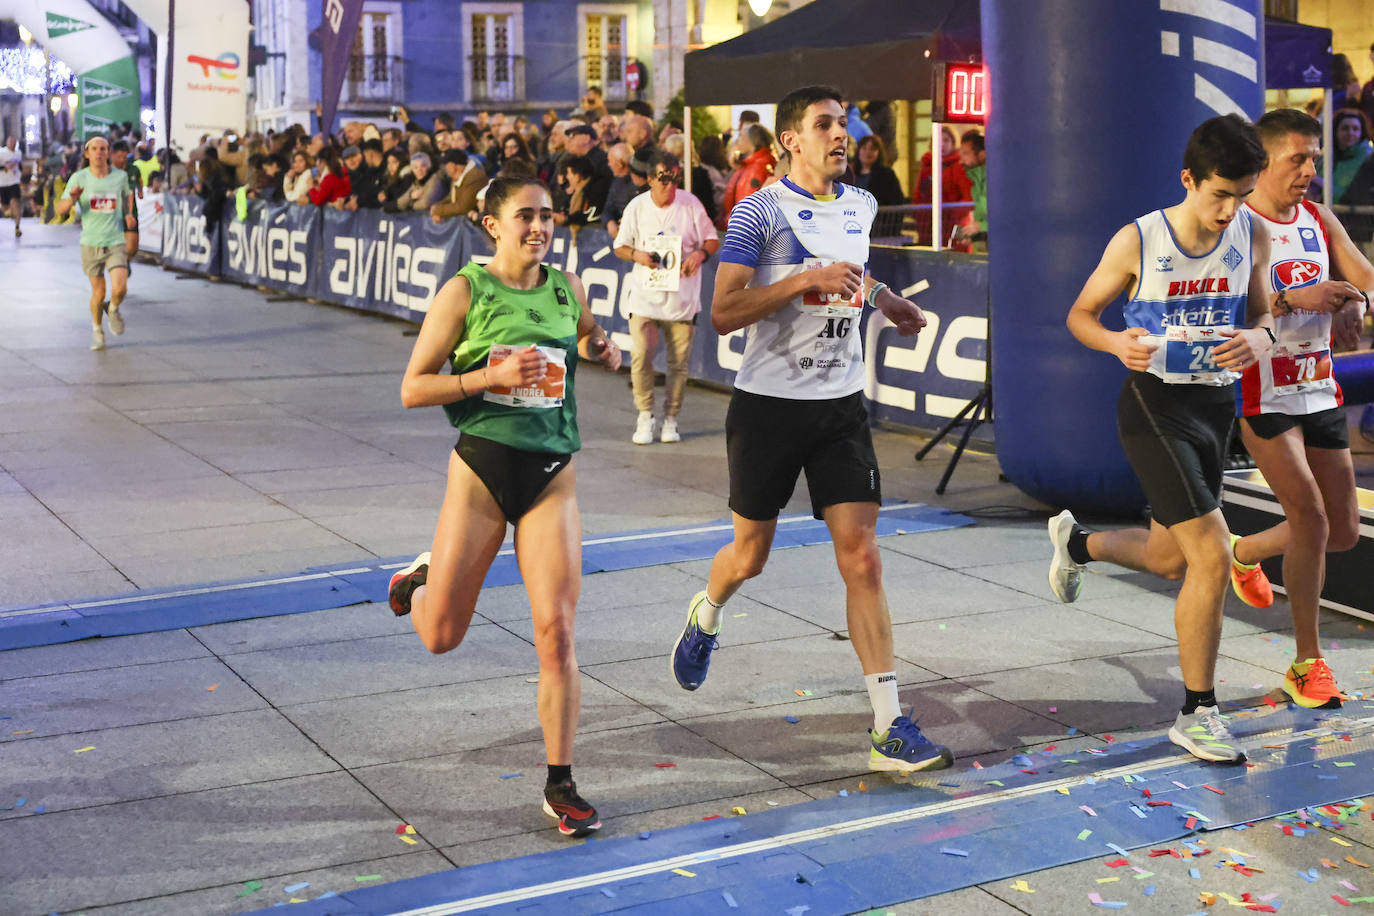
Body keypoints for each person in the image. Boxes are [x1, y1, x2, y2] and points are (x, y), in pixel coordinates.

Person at [668, 85, 951, 775]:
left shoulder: (861, 205)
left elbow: (853, 279)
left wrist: (887, 302)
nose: (841, 135)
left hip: (840, 404)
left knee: (863, 557)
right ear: (788, 140)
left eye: (844, 124)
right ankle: (707, 612)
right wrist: (801, 281)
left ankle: (889, 725)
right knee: (750, 555)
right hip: (768, 406)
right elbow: (726, 311)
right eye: (824, 125)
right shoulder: (756, 212)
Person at [389, 176, 621, 839]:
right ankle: (422, 577)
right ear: (492, 225)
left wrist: (598, 349)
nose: (539, 227)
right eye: (525, 216)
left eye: (547, 216)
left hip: (551, 472)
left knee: (557, 631)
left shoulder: (566, 286)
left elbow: (583, 336)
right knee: (440, 636)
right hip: (482, 469)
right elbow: (413, 388)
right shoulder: (466, 291)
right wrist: (488, 377)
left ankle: (561, 782)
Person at [1050, 114, 1277, 763]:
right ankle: (1198, 712)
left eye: (1242, 195)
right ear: (1188, 179)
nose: (1230, 210)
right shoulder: (1139, 241)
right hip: (1153, 405)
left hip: (1214, 409)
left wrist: (1260, 337)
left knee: (1169, 559)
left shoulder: (1251, 232)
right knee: (1210, 554)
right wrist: (1114, 341)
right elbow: (1080, 315)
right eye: (1219, 195)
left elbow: (1261, 311)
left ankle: (1078, 542)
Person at [1223, 109, 1371, 707]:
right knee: (1309, 519)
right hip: (1264, 391)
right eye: (1298, 159)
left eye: (1315, 158)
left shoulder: (1317, 217)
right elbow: (1229, 311)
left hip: (1319, 386)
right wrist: (1291, 298)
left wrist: (1354, 299)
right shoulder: (1238, 224)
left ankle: (1245, 550)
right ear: (1263, 162)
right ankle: (1306, 664)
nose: (1310, 170)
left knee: (1342, 532)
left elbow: (1363, 274)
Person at [613, 149, 719, 445]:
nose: (669, 186)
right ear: (649, 180)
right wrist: (638, 255)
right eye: (662, 180)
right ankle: (645, 414)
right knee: (641, 356)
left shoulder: (690, 205)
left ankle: (671, 418)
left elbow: (712, 239)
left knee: (678, 363)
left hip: (681, 301)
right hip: (644, 298)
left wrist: (699, 254)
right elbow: (619, 246)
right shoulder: (637, 207)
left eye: (673, 179)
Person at [55, 135, 137, 351]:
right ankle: (97, 331)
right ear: (87, 153)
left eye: (103, 148)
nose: (99, 152)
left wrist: (128, 215)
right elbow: (60, 210)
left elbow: (127, 198)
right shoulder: (79, 178)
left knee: (120, 287)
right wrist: (72, 199)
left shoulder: (120, 177)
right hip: (90, 242)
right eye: (95, 148)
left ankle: (114, 308)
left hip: (115, 240)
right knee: (98, 294)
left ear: (108, 153)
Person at [912, 126, 971, 245]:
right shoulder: (927, 167)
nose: (942, 144)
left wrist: (953, 215)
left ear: (953, 143)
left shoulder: (959, 167)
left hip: (952, 224)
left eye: (946, 140)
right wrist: (918, 215)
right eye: (938, 140)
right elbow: (919, 194)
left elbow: (967, 196)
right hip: (927, 225)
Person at [717, 123, 777, 230]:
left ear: (752, 143)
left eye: (741, 137)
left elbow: (747, 213)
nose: (737, 140)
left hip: (742, 232)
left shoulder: (756, 169)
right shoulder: (750, 165)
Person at [851, 135, 904, 237]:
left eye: (872, 149)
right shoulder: (849, 174)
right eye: (864, 148)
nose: (868, 152)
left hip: (879, 231)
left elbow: (897, 201)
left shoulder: (887, 175)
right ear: (858, 151)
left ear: (879, 153)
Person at [1328, 109, 1373, 208]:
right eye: (1345, 128)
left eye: (1355, 129)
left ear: (1362, 132)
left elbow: (1350, 195)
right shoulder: (1326, 155)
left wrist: (1321, 183)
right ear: (1335, 131)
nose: (1350, 133)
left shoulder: (1367, 158)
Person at [431, 148, 488, 223]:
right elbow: (451, 197)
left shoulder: (474, 177)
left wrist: (438, 210)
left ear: (452, 166)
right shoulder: (458, 176)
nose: (446, 169)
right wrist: (436, 207)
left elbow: (463, 207)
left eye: (446, 166)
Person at [554, 155, 609, 226]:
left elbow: (590, 216)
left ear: (577, 176)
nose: (567, 177)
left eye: (568, 173)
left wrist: (568, 219)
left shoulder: (595, 191)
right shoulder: (577, 193)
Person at [111, 140, 143, 258]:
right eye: (119, 157)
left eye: (124, 157)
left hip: (131, 212)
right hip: (112, 214)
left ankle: (123, 264)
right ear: (112, 154)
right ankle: (118, 267)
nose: (122, 160)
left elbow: (138, 182)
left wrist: (140, 191)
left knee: (132, 249)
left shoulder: (133, 169)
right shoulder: (107, 171)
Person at [957, 131, 988, 252]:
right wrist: (973, 236)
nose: (961, 161)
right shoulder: (976, 184)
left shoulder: (998, 181)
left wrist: (980, 227)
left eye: (966, 154)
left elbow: (1012, 218)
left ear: (982, 155)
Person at [0, 135, 22, 237]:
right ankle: (9, 212)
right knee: (5, 207)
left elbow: (19, 166)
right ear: (7, 142)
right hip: (3, 183)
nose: (12, 143)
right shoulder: (2, 152)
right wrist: (5, 167)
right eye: (10, 141)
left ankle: (17, 227)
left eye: (14, 141)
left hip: (14, 182)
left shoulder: (18, 153)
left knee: (15, 202)